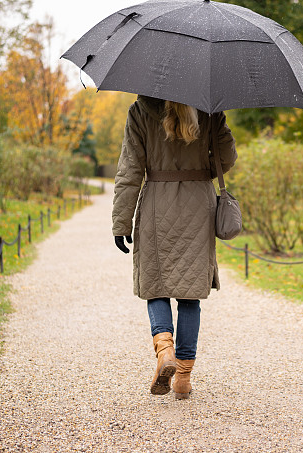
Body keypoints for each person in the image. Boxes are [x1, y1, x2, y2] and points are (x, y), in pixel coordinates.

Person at [112, 95, 237, 399]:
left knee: (155, 285)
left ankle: (164, 349)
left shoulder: (141, 110)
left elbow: (130, 169)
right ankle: (183, 378)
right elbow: (227, 158)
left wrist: (121, 222)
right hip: (198, 207)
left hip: (157, 203)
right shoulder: (210, 107)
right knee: (190, 294)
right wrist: (217, 122)